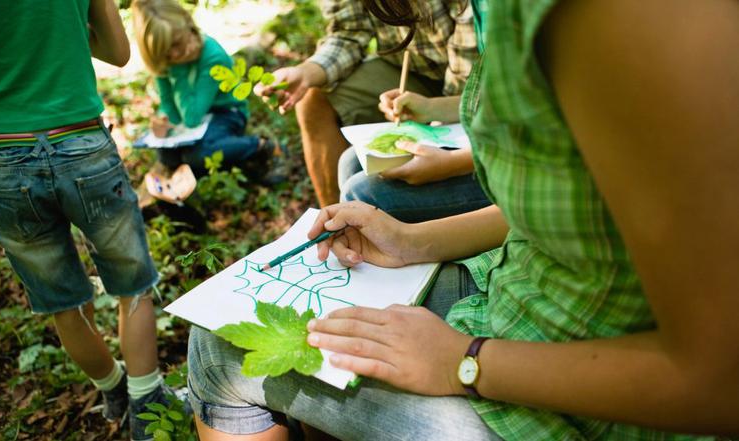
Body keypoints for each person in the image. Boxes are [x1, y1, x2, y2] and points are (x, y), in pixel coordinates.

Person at [186, 0, 739, 439]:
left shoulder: (618, 17)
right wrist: (410, 241)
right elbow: (569, 201)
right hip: (509, 305)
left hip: (575, 408)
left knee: (219, 350)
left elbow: (720, 380)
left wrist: (465, 364)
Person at [0, 1, 168, 440]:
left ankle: (111, 388)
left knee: (63, 300)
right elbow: (117, 51)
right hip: (81, 141)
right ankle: (148, 408)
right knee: (132, 283)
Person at [256, 0, 477, 207]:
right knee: (313, 102)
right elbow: (349, 32)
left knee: (364, 185)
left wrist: (436, 118)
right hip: (413, 71)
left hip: (480, 82)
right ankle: (334, 228)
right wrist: (304, 73)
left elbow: (469, 75)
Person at [132, 0, 283, 181]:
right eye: (166, 52)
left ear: (187, 25)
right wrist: (163, 120)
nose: (174, 54)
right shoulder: (166, 60)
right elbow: (169, 105)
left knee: (197, 155)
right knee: (167, 156)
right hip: (197, 118)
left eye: (177, 43)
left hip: (226, 113)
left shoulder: (212, 57)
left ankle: (261, 146)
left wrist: (178, 72)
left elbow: (191, 117)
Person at [338, 88, 491, 222]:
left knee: (360, 192)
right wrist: (431, 108)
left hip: (505, 167)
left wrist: (455, 163)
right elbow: (495, 101)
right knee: (351, 162)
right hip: (480, 137)